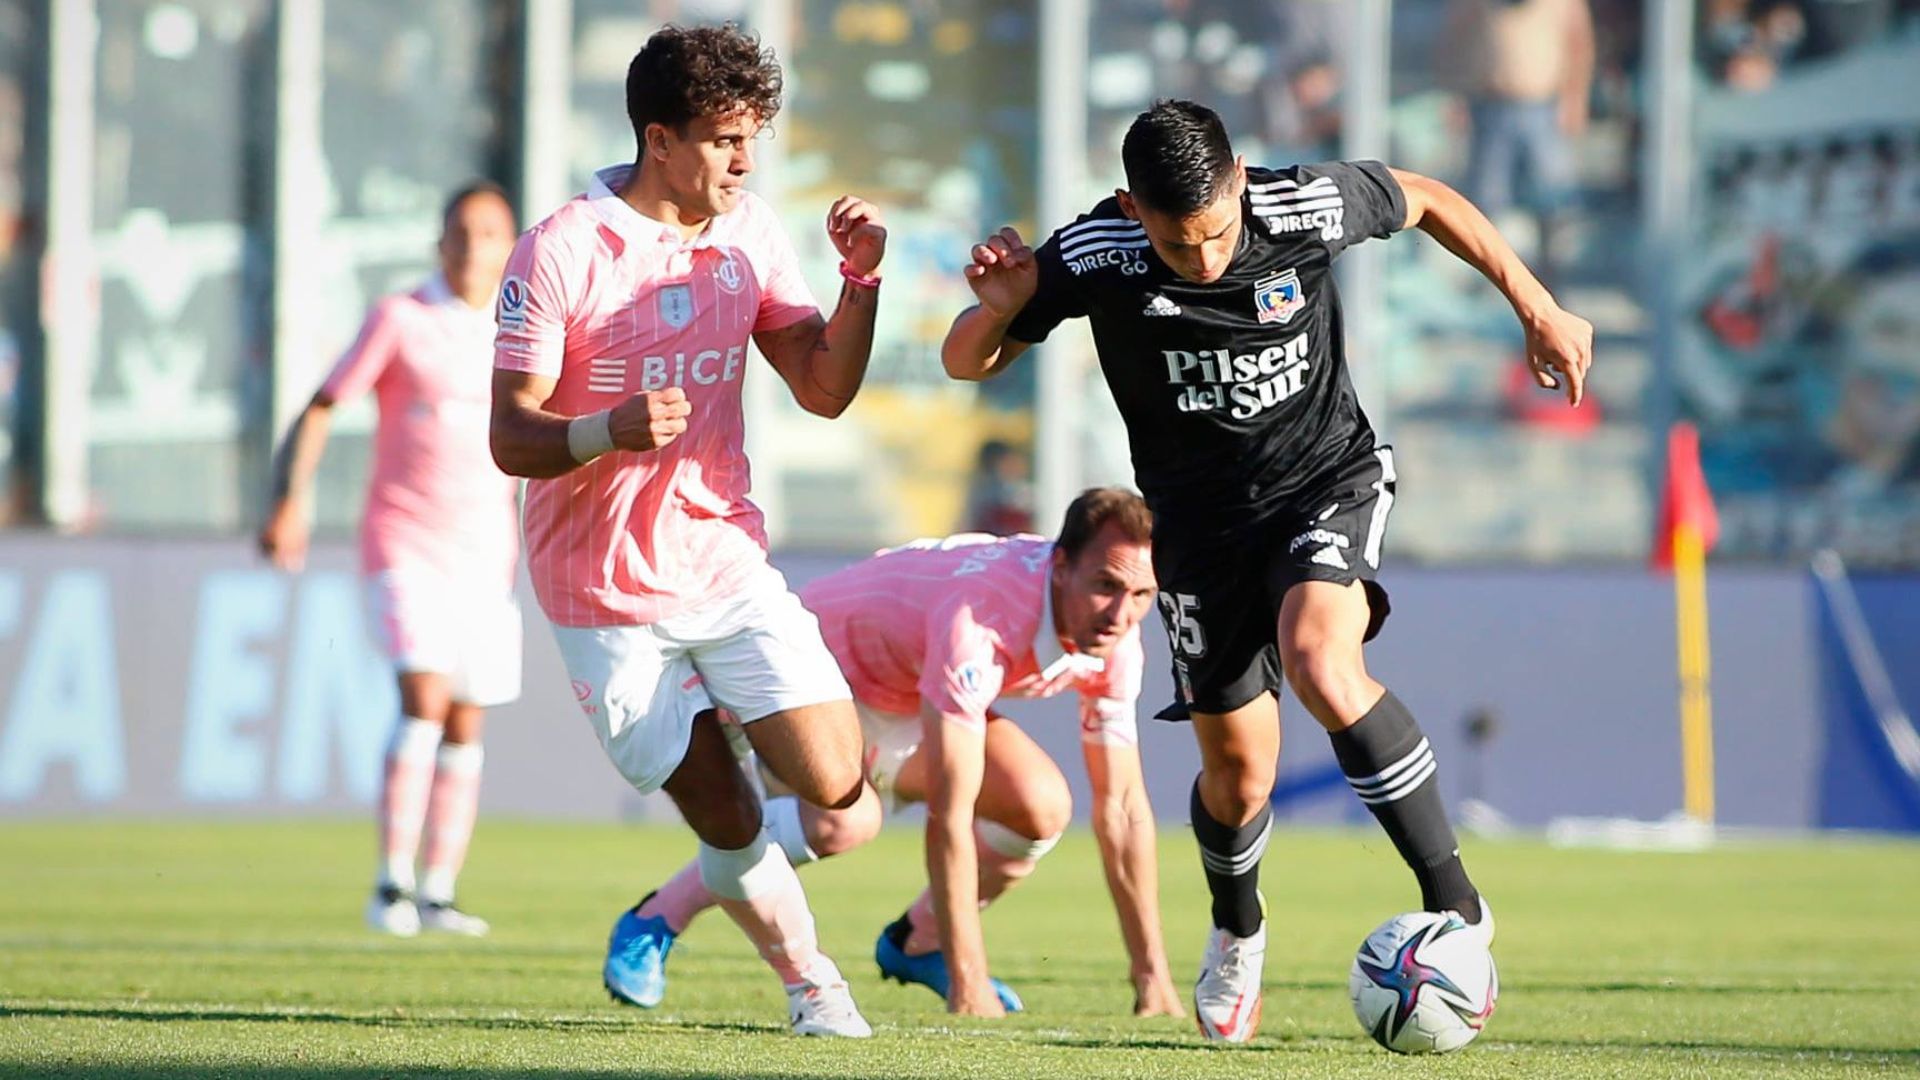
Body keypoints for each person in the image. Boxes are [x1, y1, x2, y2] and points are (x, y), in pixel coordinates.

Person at [942, 99, 1593, 1042]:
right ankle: (1238, 928)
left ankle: (1457, 903)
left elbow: (1429, 197)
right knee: (1240, 775)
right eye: (1176, 241)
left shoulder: (1301, 206)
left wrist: (1537, 305)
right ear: (1133, 210)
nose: (1201, 257)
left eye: (1212, 233)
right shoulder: (1094, 252)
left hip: (1324, 483)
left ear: (1239, 181)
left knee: (1325, 661)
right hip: (1201, 533)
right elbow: (967, 360)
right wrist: (997, 313)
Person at [488, 24, 886, 1038]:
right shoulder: (564, 248)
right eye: (722, 139)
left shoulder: (750, 231)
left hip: (719, 555)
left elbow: (825, 388)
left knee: (839, 785)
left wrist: (860, 285)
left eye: (754, 137)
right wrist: (602, 430)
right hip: (601, 589)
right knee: (729, 814)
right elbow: (509, 434)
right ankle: (812, 988)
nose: (744, 161)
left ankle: (719, 798)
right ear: (658, 138)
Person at [615, 487, 1183, 1019]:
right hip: (819, 668)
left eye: (1141, 595)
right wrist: (970, 982)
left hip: (908, 686)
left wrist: (1152, 974)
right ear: (1060, 568)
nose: (1121, 615)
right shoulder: (981, 620)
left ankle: (918, 943)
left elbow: (1124, 809)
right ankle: (654, 920)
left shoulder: (1117, 640)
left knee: (1039, 808)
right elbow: (950, 815)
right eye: (1106, 586)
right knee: (844, 824)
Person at [259, 181, 523, 938]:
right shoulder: (401, 319)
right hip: (406, 541)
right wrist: (288, 501)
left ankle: (438, 891)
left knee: (467, 721)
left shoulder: (520, 331)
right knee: (424, 699)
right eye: (462, 231)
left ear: (510, 245)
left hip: (486, 555)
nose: (475, 245)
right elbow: (323, 405)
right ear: (439, 242)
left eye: (490, 232)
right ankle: (390, 885)